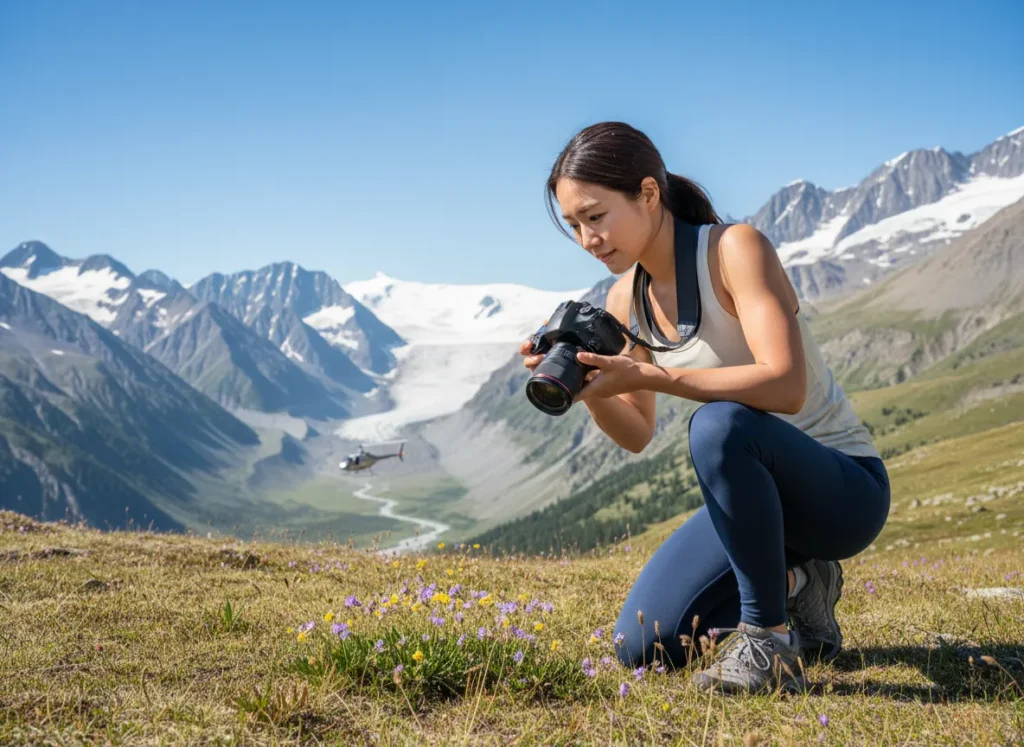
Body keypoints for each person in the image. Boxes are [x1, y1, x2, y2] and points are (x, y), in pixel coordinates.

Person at [519, 122, 890, 694]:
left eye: (595, 216)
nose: (587, 239)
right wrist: (589, 389)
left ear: (648, 193)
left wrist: (656, 375)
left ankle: (768, 645)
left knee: (718, 425)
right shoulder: (626, 298)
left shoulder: (733, 249)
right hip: (760, 506)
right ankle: (798, 587)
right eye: (573, 225)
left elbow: (785, 385)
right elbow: (637, 432)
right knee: (641, 645)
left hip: (841, 490)